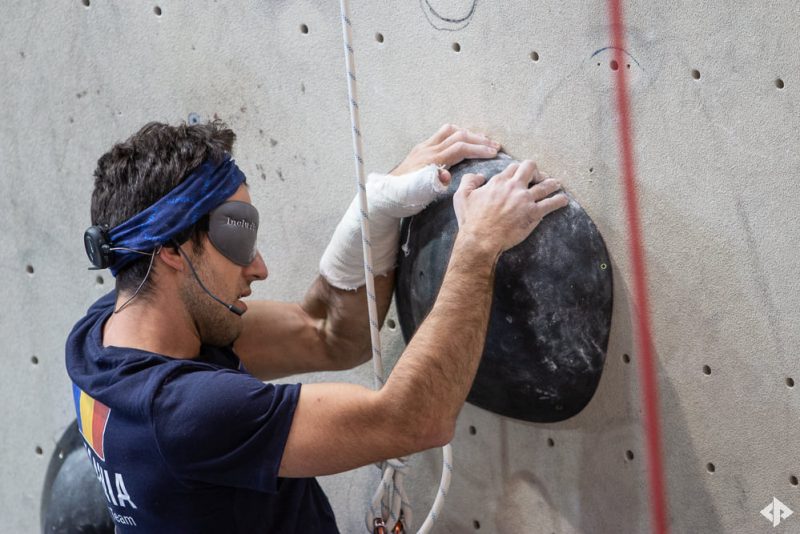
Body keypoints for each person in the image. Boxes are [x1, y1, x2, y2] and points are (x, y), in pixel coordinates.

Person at [66, 120, 568, 533]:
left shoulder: (100, 338)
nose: (258, 266)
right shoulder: (187, 414)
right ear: (172, 251)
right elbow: (413, 420)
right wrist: (478, 246)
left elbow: (326, 332)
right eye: (234, 236)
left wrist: (376, 208)